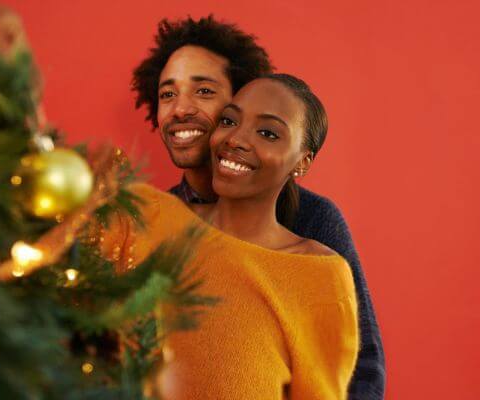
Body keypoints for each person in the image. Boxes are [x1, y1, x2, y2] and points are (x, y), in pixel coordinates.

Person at [132, 16, 385, 399]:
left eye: (203, 91)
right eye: (167, 94)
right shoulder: (154, 221)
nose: (181, 109)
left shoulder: (312, 226)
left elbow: (360, 368)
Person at [105, 74, 358, 399]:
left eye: (268, 133)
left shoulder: (320, 276)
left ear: (303, 161)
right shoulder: (144, 214)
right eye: (229, 120)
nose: (235, 139)